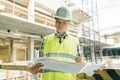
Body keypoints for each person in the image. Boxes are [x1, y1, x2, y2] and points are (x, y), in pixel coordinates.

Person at [29, 6, 101, 80]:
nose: (60, 25)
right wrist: (33, 69)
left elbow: (81, 63)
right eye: (58, 22)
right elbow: (39, 64)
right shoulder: (45, 40)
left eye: (64, 23)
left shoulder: (75, 41)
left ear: (68, 23)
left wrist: (92, 68)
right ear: (55, 21)